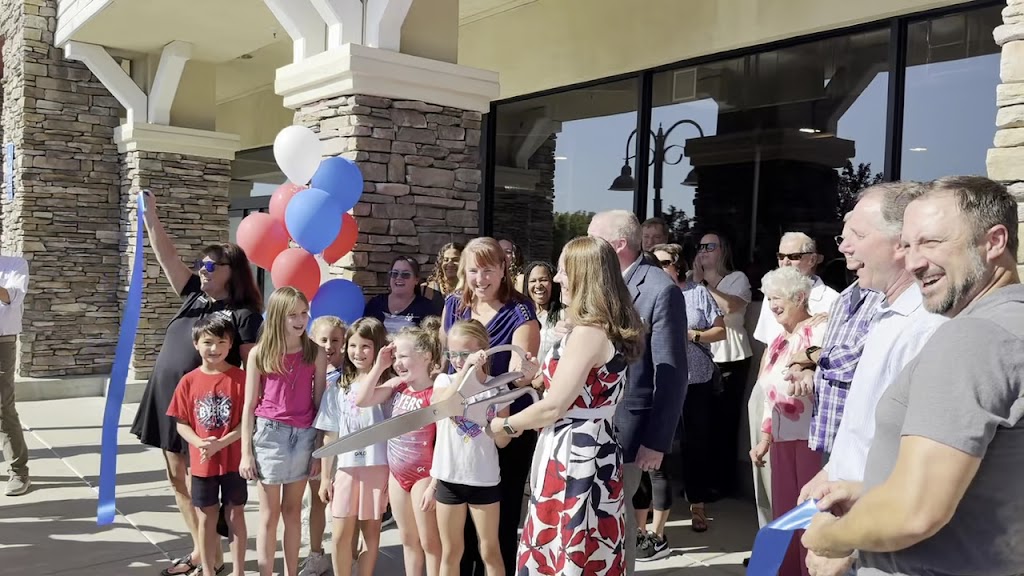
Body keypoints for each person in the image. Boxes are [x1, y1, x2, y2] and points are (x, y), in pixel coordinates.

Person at [802, 176, 1024, 576]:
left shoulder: (972, 337)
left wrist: (831, 539)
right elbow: (983, 481)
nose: (914, 260)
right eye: (908, 244)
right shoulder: (1007, 325)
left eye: (932, 243)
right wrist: (867, 490)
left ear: (994, 242)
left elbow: (915, 512)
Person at [794, 182, 945, 576]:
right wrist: (832, 471)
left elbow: (916, 461)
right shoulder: (884, 313)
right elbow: (865, 422)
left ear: (901, 244)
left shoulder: (925, 329)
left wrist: (850, 542)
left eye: (858, 236)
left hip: (881, 541)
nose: (844, 247)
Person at [488, 236, 645, 576]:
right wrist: (537, 375)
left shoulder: (589, 332)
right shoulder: (598, 327)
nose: (557, 279)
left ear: (583, 275)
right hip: (592, 446)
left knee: (569, 546)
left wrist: (504, 426)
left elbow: (553, 406)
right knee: (581, 546)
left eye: (562, 270)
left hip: (576, 454)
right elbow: (567, 388)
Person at [130, 191, 263, 576]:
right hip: (168, 399)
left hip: (210, 410)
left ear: (231, 271)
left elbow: (254, 365)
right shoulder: (193, 296)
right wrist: (150, 217)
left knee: (200, 481)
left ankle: (210, 547)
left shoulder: (244, 315)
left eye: (210, 263)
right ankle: (202, 553)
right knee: (176, 478)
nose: (201, 268)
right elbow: (166, 256)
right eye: (201, 262)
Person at [587, 210, 688, 575]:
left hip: (630, 430)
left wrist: (657, 441)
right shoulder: (601, 284)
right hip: (594, 425)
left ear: (617, 245)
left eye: (593, 238)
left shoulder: (661, 290)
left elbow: (672, 373)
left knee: (620, 520)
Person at [440, 237, 540, 576]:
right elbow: (446, 363)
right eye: (472, 270)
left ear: (502, 270)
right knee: (457, 525)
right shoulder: (454, 304)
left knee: (500, 518)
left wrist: (503, 387)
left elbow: (518, 375)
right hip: (461, 426)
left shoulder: (520, 309)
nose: (480, 278)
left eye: (487, 270)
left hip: (502, 423)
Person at [633, 243, 725, 561]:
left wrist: (691, 336)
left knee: (695, 446)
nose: (660, 269)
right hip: (659, 386)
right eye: (654, 264)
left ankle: (697, 506)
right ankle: (651, 529)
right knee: (658, 459)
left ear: (678, 265)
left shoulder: (697, 294)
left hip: (695, 383)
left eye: (665, 263)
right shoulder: (645, 295)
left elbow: (720, 331)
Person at [240, 287, 328, 576]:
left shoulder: (315, 352)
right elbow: (249, 405)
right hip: (270, 436)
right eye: (293, 314)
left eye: (304, 313)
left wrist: (318, 448)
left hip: (303, 436)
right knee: (269, 515)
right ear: (278, 316)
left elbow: (320, 404)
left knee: (292, 512)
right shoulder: (259, 354)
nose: (300, 319)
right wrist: (245, 454)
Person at [749, 266, 828, 576]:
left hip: (812, 436)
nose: (772, 305)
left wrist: (809, 373)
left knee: (810, 514)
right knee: (785, 515)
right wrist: (765, 439)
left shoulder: (820, 331)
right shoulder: (779, 340)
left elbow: (829, 372)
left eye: (777, 298)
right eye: (768, 299)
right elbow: (771, 394)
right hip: (782, 439)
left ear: (799, 297)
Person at [357, 319, 444, 576]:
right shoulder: (398, 386)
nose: (398, 362)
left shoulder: (436, 392)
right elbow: (362, 399)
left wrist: (434, 484)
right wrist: (380, 365)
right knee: (408, 541)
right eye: (395, 357)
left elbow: (443, 442)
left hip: (424, 475)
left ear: (426, 356)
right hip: (397, 475)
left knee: (430, 543)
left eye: (403, 356)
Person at [792, 214, 883, 462]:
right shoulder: (846, 297)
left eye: (856, 236)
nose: (843, 247)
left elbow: (854, 361)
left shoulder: (888, 298)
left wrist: (810, 354)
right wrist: (808, 366)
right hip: (829, 428)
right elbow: (833, 356)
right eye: (842, 238)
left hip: (862, 439)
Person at [431, 319, 515, 576]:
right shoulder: (445, 380)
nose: (457, 360)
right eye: (452, 354)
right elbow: (439, 407)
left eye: (465, 354)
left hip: (484, 478)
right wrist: (464, 373)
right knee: (451, 551)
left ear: (483, 351)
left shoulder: (498, 386)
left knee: (490, 550)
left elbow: (503, 440)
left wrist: (508, 427)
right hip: (449, 477)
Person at [166, 316, 248, 576]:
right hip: (202, 463)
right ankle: (209, 568)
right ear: (196, 344)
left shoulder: (241, 379)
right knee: (205, 517)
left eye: (221, 342)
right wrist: (201, 442)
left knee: (235, 515)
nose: (214, 348)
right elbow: (181, 423)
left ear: (230, 344)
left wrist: (222, 442)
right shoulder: (188, 381)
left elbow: (248, 422)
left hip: (234, 460)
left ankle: (239, 570)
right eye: (208, 342)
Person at [316, 317, 392, 576]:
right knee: (340, 535)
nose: (358, 353)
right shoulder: (338, 388)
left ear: (379, 347)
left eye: (366, 346)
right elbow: (331, 435)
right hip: (347, 469)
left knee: (370, 535)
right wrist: (326, 477)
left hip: (376, 467)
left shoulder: (389, 386)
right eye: (353, 346)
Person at [691, 231, 753, 499]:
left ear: (723, 250)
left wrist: (702, 283)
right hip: (702, 359)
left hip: (731, 359)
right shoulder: (693, 282)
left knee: (724, 424)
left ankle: (723, 482)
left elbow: (729, 306)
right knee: (701, 424)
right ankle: (701, 483)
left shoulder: (737, 278)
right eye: (701, 246)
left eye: (710, 246)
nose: (704, 251)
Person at [300, 316, 348, 576]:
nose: (329, 345)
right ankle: (316, 554)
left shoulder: (350, 373)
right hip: (318, 444)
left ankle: (350, 557)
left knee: (346, 507)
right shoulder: (309, 369)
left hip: (346, 447)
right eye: (323, 339)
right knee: (317, 500)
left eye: (335, 340)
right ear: (312, 340)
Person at [0, 254, 28, 496]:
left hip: (2, 341)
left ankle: (18, 470)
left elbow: (13, 297)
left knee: (3, 407)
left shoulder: (14, 265)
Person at [364, 256, 440, 333]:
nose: (399, 277)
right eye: (395, 274)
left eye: (405, 274)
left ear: (416, 280)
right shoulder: (375, 304)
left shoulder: (427, 308)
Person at [521, 261, 564, 362]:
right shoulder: (521, 316)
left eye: (543, 280)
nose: (538, 285)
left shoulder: (563, 316)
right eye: (532, 281)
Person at [423, 242, 463, 311]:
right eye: (446, 260)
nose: (450, 263)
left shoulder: (470, 289)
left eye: (455, 260)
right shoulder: (428, 289)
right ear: (441, 263)